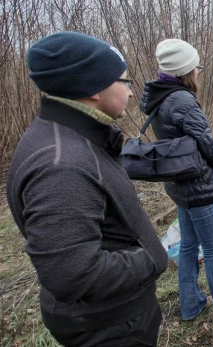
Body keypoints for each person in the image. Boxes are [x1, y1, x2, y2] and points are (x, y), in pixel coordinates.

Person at [6, 32, 168, 346]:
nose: (131, 93)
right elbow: (71, 274)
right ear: (94, 87)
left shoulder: (69, 137)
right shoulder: (61, 165)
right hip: (109, 328)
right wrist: (150, 258)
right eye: (125, 81)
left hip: (114, 317)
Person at [139, 38, 213, 326]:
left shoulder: (159, 97)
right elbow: (206, 141)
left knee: (190, 246)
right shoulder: (181, 99)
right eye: (196, 67)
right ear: (185, 70)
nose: (198, 72)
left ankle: (191, 303)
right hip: (199, 187)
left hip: (179, 185)